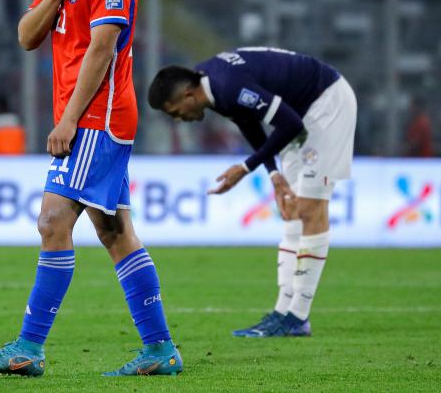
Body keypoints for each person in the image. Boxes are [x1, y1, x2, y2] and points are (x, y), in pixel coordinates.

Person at [0, 0, 183, 378]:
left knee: (52, 221)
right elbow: (26, 36)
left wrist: (68, 120)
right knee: (115, 232)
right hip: (87, 117)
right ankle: (161, 350)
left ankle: (29, 347)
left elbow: (102, 50)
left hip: (98, 117)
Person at [148, 47, 357, 337]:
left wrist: (246, 167)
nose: (178, 119)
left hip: (326, 104)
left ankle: (298, 315)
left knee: (310, 209)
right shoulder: (213, 87)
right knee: (292, 212)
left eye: (174, 112)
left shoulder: (228, 86)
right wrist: (273, 173)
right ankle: (283, 313)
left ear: (188, 95)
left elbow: (289, 123)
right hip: (299, 113)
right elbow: (248, 121)